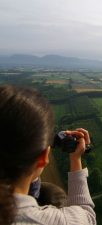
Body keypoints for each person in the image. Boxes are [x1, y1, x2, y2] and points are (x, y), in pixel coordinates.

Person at [0, 85, 96, 225]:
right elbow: (86, 214)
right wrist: (76, 158)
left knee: (43, 188)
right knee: (53, 193)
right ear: (43, 158)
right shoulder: (56, 221)